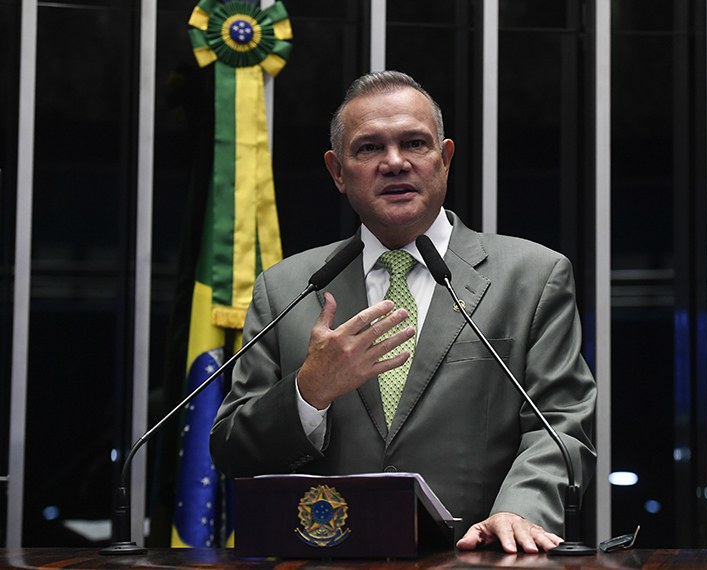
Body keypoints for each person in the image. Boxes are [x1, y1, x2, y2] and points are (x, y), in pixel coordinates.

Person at [209, 70, 596, 553]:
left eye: (414, 143)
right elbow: (231, 450)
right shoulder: (285, 288)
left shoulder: (533, 276)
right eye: (369, 148)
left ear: (445, 158)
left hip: (478, 560)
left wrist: (520, 509)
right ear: (337, 171)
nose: (395, 163)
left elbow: (561, 424)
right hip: (326, 561)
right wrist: (310, 392)